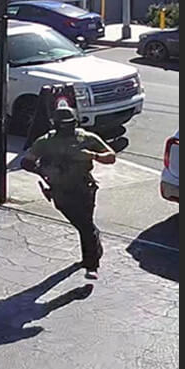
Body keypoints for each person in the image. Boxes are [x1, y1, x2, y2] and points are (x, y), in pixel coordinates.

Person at [21, 103, 116, 279]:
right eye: (62, 123)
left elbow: (111, 157)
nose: (66, 127)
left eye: (69, 123)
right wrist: (44, 171)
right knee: (82, 224)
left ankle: (91, 265)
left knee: (85, 226)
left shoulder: (86, 138)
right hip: (59, 189)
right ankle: (95, 242)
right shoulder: (45, 141)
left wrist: (92, 155)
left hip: (83, 187)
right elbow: (27, 161)